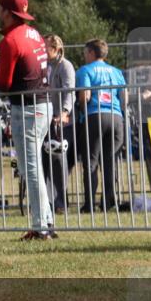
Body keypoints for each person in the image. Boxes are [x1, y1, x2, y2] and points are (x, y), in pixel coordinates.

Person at [0, 0, 52, 240]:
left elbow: (4, 83)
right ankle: (46, 222)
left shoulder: (9, 41)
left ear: (7, 12)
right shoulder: (34, 34)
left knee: (31, 169)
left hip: (26, 109)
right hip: (43, 105)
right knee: (34, 167)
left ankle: (40, 227)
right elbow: (26, 69)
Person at [76, 39, 127, 214]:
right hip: (116, 116)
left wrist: (82, 111)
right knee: (110, 161)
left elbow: (86, 95)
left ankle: (89, 204)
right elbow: (124, 96)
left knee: (91, 162)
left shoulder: (85, 70)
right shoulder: (117, 71)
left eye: (85, 53)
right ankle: (108, 202)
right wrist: (121, 113)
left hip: (94, 115)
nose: (84, 56)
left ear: (91, 53)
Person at [42, 35, 76, 215]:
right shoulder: (44, 65)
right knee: (45, 161)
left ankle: (60, 201)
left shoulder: (65, 66)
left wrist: (64, 111)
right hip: (45, 118)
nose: (42, 49)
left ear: (55, 48)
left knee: (59, 161)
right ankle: (46, 201)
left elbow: (69, 90)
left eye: (45, 46)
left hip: (60, 119)